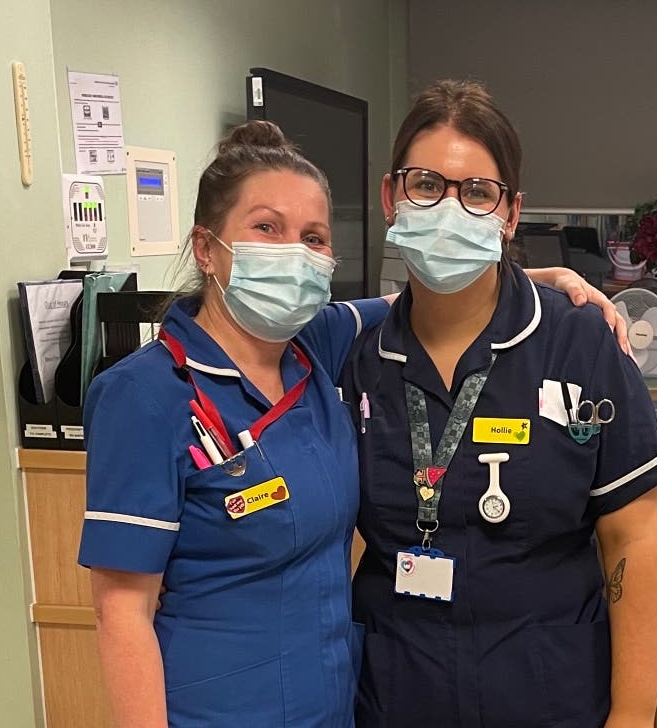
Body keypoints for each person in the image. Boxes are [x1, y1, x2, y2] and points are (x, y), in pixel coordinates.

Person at [78, 120, 622, 728]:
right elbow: (121, 612)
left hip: (336, 705)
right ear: (206, 248)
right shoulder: (144, 396)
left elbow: (422, 300)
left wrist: (539, 280)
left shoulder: (316, 347)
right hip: (214, 710)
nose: (292, 254)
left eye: (312, 238)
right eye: (266, 228)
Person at [347, 81, 657, 728]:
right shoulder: (358, 362)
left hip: (549, 699)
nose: (448, 208)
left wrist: (633, 718)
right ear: (391, 198)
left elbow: (633, 540)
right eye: (425, 185)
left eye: (476, 192)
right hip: (396, 701)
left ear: (511, 214)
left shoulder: (582, 344)